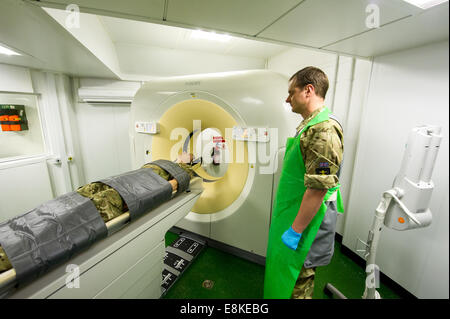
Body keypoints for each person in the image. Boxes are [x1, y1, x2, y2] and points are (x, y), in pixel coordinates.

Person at [0, 153, 200, 274]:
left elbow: (171, 186)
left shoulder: (183, 172)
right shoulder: (159, 163)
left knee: (75, 215)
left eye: (188, 158)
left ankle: (10, 251)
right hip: (116, 184)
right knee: (72, 203)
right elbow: (140, 174)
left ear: (187, 162)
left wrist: (173, 182)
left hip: (123, 196)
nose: (185, 157)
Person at [264, 66, 344, 299]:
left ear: (308, 90)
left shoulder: (324, 131)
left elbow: (318, 190)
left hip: (307, 221)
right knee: (288, 275)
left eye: (291, 92)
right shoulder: (309, 126)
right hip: (295, 211)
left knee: (298, 281)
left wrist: (296, 231)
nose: (287, 99)